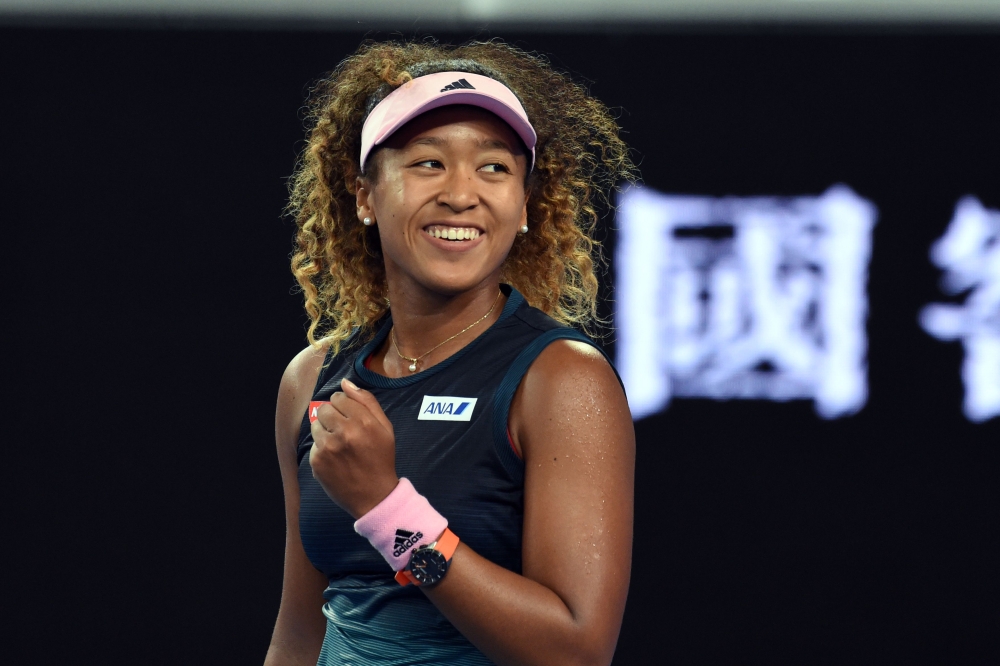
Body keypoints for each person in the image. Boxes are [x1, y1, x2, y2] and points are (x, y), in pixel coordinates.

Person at [265, 39, 636, 666]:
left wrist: (387, 509)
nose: (462, 194)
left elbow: (576, 650)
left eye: (494, 168)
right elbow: (301, 633)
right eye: (427, 163)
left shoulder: (563, 379)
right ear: (363, 195)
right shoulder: (311, 382)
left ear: (523, 205)